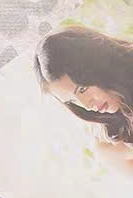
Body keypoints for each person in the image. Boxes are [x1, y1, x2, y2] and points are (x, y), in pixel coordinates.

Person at [34, 26, 133, 171]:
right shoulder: (109, 144)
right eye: (72, 101)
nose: (86, 104)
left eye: (82, 89)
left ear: (99, 66)